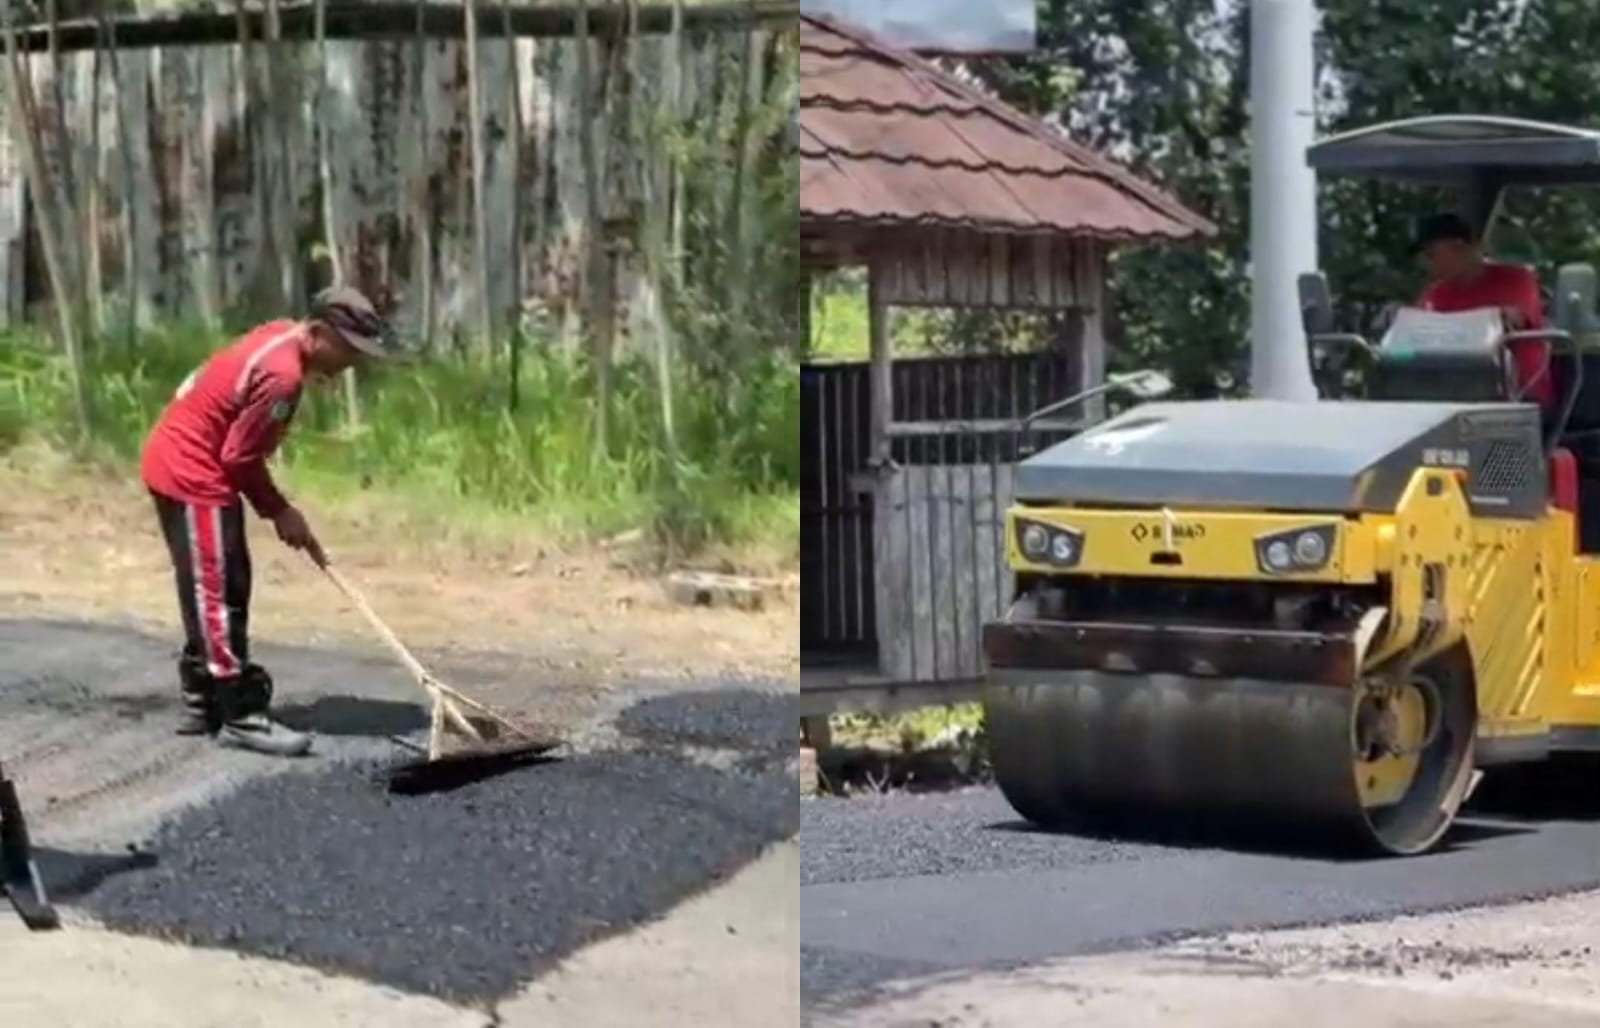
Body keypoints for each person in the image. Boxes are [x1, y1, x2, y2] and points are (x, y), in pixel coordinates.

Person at [139, 286, 396, 756]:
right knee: (217, 591)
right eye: (348, 349)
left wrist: (275, 507)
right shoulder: (283, 377)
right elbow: (239, 458)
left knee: (222, 579)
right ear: (318, 333)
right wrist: (279, 510)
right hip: (191, 471)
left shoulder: (281, 334)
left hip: (190, 462)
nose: (352, 363)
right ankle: (238, 714)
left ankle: (203, 697)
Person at [1410, 211, 1553, 408]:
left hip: (1521, 395)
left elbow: (1511, 320)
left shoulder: (1517, 279)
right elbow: (1416, 330)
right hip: (1456, 392)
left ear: (1458, 248)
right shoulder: (1436, 293)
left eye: (1430, 255)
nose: (1425, 264)